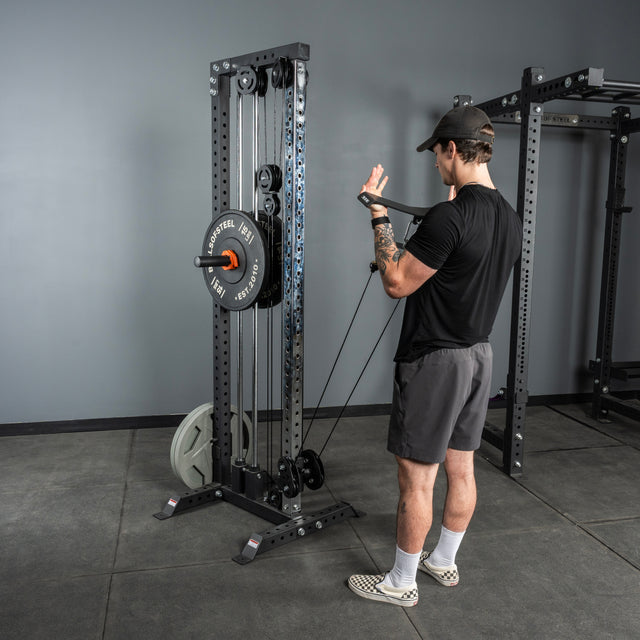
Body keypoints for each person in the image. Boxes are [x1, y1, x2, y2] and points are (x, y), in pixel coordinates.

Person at [347, 106, 523, 607]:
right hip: (478, 357)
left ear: (451, 149)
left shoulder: (450, 218)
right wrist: (444, 211)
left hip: (435, 362)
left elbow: (396, 282)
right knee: (462, 470)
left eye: (437, 155)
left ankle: (400, 583)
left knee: (417, 481)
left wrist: (378, 215)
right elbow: (460, 263)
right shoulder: (509, 217)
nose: (435, 165)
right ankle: (443, 561)